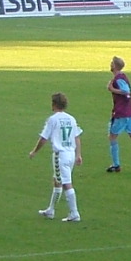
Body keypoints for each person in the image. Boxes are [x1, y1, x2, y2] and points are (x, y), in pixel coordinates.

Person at [29, 93, 83, 222]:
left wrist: (34, 151)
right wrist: (78, 154)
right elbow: (77, 137)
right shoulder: (71, 118)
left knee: (66, 183)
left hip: (60, 155)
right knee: (57, 180)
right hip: (70, 153)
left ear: (54, 104)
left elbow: (44, 138)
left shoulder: (53, 119)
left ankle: (74, 213)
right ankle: (51, 210)